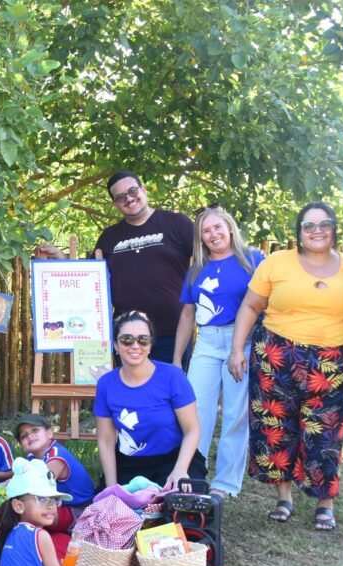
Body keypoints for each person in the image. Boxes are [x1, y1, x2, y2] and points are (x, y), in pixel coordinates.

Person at [229, 202, 343, 531]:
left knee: (326, 434)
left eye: (324, 224)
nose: (316, 230)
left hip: (334, 364)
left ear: (334, 229)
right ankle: (284, 498)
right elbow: (250, 305)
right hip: (277, 356)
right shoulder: (277, 263)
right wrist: (236, 349)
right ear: (299, 231)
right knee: (277, 429)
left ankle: (324, 503)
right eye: (308, 225)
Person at [172, 206, 265, 499]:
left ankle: (225, 484)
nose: (213, 235)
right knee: (196, 409)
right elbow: (188, 314)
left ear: (230, 227)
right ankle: (194, 474)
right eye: (206, 231)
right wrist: (177, 358)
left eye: (217, 228)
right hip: (208, 342)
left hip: (243, 341)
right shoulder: (197, 267)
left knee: (236, 413)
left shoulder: (254, 260)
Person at [94, 171, 195, 364]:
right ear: (114, 204)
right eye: (121, 197)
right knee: (130, 393)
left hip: (173, 333)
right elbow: (90, 274)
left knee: (169, 392)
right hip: (128, 337)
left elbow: (207, 257)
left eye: (133, 191)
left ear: (144, 189)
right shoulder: (109, 237)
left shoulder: (176, 223)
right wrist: (59, 257)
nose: (129, 199)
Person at [95, 310, 204, 489]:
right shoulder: (106, 384)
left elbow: (192, 430)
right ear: (115, 344)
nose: (135, 346)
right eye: (127, 339)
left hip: (173, 459)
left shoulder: (172, 376)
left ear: (151, 344)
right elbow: (106, 441)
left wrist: (180, 469)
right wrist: (111, 488)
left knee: (179, 512)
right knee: (108, 514)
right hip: (128, 465)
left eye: (143, 339)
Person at [14, 413, 95, 527]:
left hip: (82, 512)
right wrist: (0, 486)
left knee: (26, 511)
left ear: (49, 433)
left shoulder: (56, 455)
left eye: (35, 430)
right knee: (20, 506)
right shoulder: (32, 457)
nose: (30, 436)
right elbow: (19, 478)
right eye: (24, 436)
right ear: (22, 445)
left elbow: (40, 484)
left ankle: (33, 537)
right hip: (61, 506)